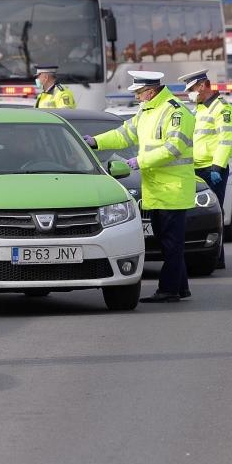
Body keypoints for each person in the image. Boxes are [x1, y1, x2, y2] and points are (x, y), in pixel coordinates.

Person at [86, 71, 196, 303]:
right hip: (157, 190)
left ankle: (169, 290)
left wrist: (138, 161)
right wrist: (95, 142)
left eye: (138, 93)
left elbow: (174, 148)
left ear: (151, 91)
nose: (137, 97)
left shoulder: (176, 112)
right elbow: (124, 135)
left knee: (172, 244)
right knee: (168, 242)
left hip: (173, 190)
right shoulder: (147, 111)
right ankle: (180, 286)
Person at [179, 68, 232, 270]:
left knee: (213, 213)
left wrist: (217, 166)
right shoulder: (200, 108)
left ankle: (216, 257)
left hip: (212, 170)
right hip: (195, 169)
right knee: (196, 215)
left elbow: (226, 140)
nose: (190, 94)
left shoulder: (223, 109)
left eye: (192, 89)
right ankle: (207, 254)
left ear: (203, 86)